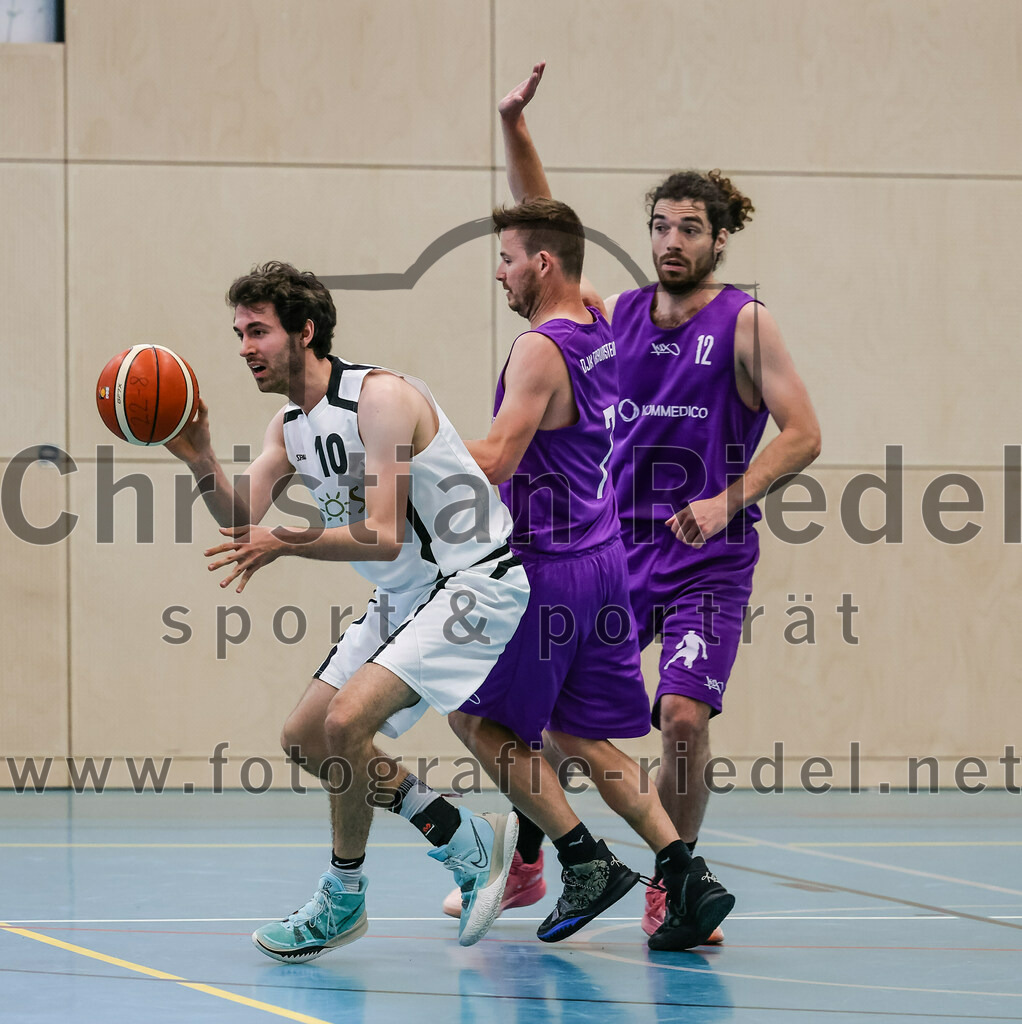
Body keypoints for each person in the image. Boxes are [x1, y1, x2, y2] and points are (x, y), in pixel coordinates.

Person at [494, 63, 822, 939]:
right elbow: (545, 237)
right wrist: (516, 130)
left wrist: (727, 499)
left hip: (707, 558)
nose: (672, 240)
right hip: (614, 552)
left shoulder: (746, 324)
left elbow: (803, 433)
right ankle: (532, 865)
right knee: (551, 716)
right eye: (659, 227)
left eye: (689, 228)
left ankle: (670, 883)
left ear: (719, 240)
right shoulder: (615, 313)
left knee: (679, 717)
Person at [167, 261, 532, 961]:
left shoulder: (381, 398)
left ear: (306, 331)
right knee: (307, 735)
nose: (245, 346)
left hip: (471, 581)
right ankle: (463, 838)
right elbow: (242, 516)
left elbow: (385, 531)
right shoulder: (290, 423)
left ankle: (353, 888)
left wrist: (287, 541)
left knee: (344, 721)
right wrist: (200, 456)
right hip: (404, 595)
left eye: (259, 331)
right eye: (239, 332)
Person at [443, 194, 736, 950]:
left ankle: (582, 862)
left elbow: (499, 459)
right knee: (582, 737)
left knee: (477, 722)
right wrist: (515, 131)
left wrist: (405, 438)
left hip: (551, 568)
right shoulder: (600, 322)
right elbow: (559, 230)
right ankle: (684, 874)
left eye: (506, 259)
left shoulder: (538, 349)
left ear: (541, 264)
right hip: (606, 559)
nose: (499, 274)